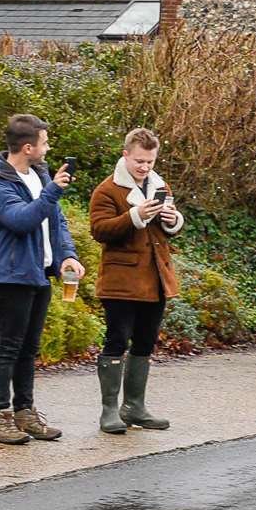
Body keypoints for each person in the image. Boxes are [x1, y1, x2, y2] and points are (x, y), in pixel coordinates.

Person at [0, 114, 84, 445]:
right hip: (11, 273)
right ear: (28, 147)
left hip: (39, 273)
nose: (48, 147)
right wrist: (52, 191)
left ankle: (25, 413)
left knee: (29, 348)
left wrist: (68, 255)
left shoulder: (39, 175)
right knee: (9, 346)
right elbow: (21, 220)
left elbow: (57, 222)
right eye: (45, 142)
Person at [89, 128, 183, 434]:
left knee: (145, 341)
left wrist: (173, 221)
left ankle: (134, 407)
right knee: (117, 340)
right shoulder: (107, 190)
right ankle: (109, 410)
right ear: (125, 154)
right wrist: (134, 215)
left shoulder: (159, 185)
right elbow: (100, 230)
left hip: (155, 278)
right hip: (121, 280)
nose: (145, 167)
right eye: (140, 161)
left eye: (150, 161)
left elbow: (167, 227)